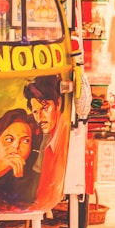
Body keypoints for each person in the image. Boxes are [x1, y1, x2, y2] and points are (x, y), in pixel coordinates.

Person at [24, 75, 69, 207]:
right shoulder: (45, 135)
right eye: (35, 112)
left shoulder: (63, 134)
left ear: (58, 103)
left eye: (45, 108)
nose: (39, 118)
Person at [0, 108, 42, 211]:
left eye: (25, 141)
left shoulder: (35, 179)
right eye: (9, 139)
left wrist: (18, 178)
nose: (16, 146)